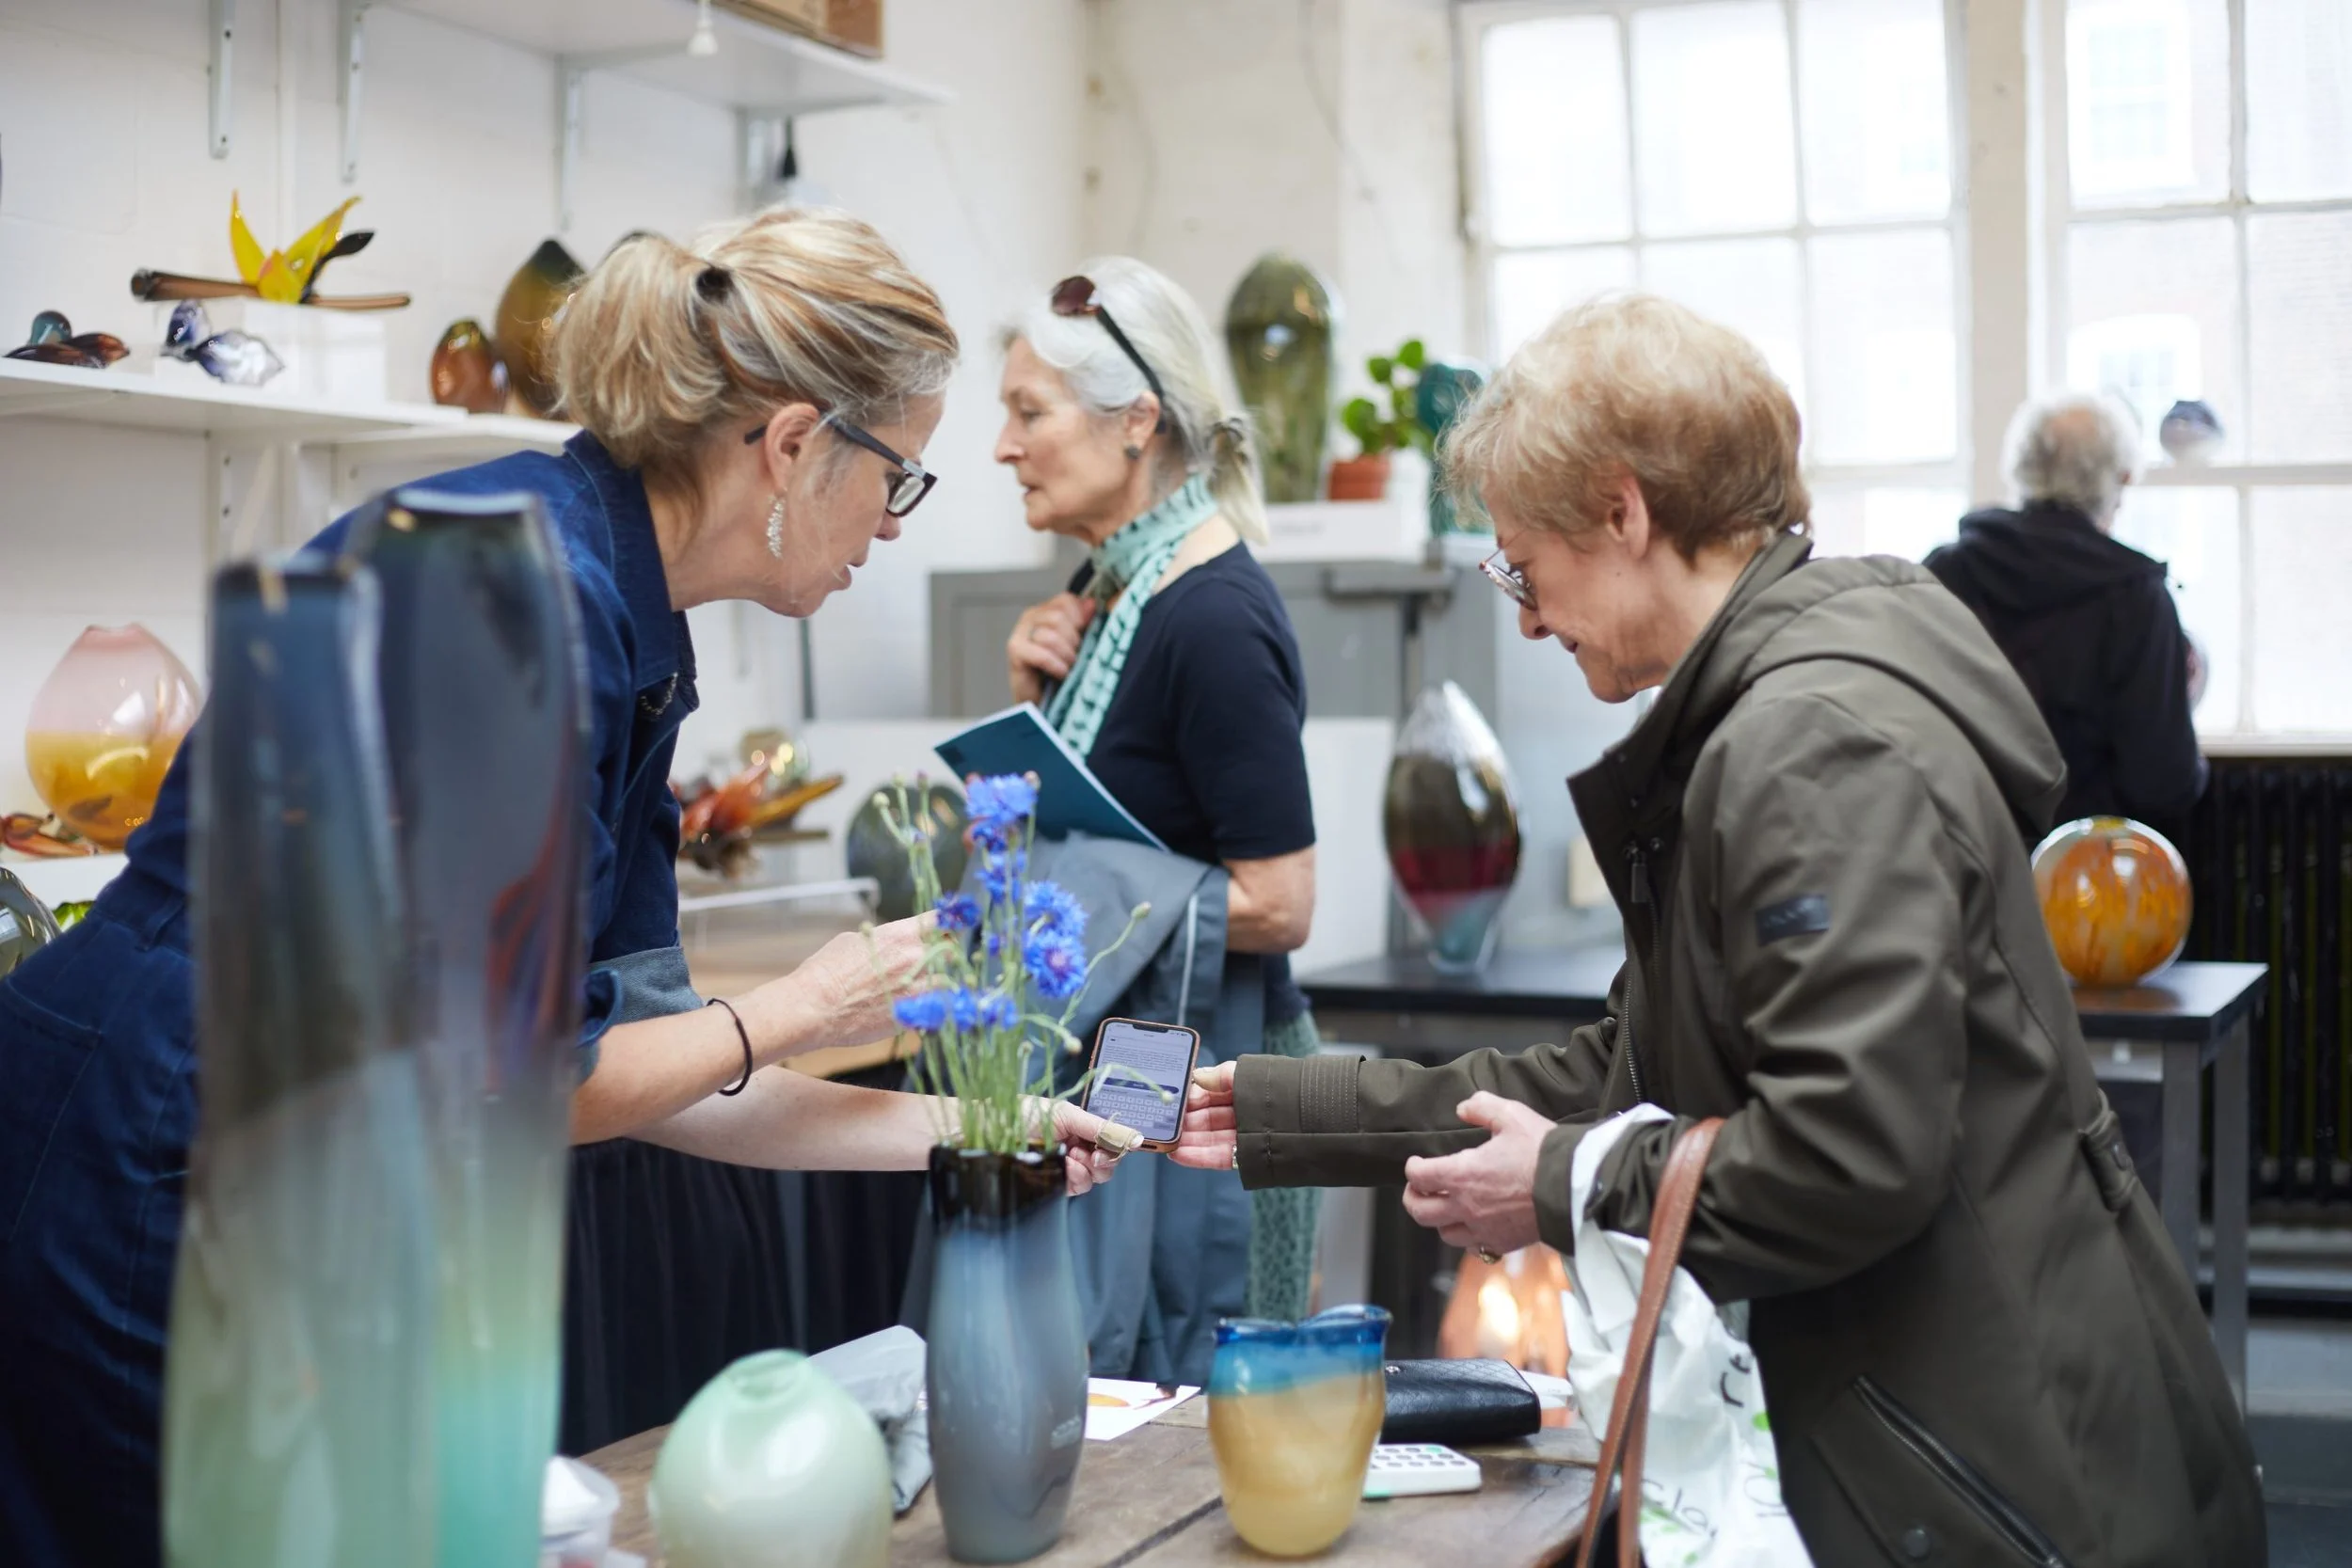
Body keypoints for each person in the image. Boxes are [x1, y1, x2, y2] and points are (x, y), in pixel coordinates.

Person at [0, 208, 1116, 1568]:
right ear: (791, 441)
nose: (894, 521)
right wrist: (810, 1001)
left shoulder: (616, 608)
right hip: (157, 1132)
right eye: (900, 477)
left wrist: (972, 1130)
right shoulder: (528, 603)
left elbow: (650, 1063)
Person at [1174, 294, 2265, 1565]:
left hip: (2001, 1464)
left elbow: (1845, 1150)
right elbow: (1627, 1071)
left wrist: (1559, 1179)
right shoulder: (1773, 712)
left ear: (1626, 512)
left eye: (1527, 565)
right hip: (1968, 1422)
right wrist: (1277, 1109)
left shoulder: (1808, 742)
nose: (1525, 615)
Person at [993, 258, 1319, 1373]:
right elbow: (1130, 831)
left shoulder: (1212, 615)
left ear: (1135, 421)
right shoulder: (1111, 600)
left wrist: (1089, 888)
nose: (1003, 446)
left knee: (1184, 1431)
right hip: (1147, 1067)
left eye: (1027, 411)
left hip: (1216, 1092)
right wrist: (1034, 707)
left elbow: (1281, 902)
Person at [1926, 391, 2206, 843]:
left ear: (2022, 468)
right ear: (2121, 479)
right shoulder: (2137, 599)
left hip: (1967, 867)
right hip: (2089, 882)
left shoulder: (1946, 574)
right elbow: (2161, 783)